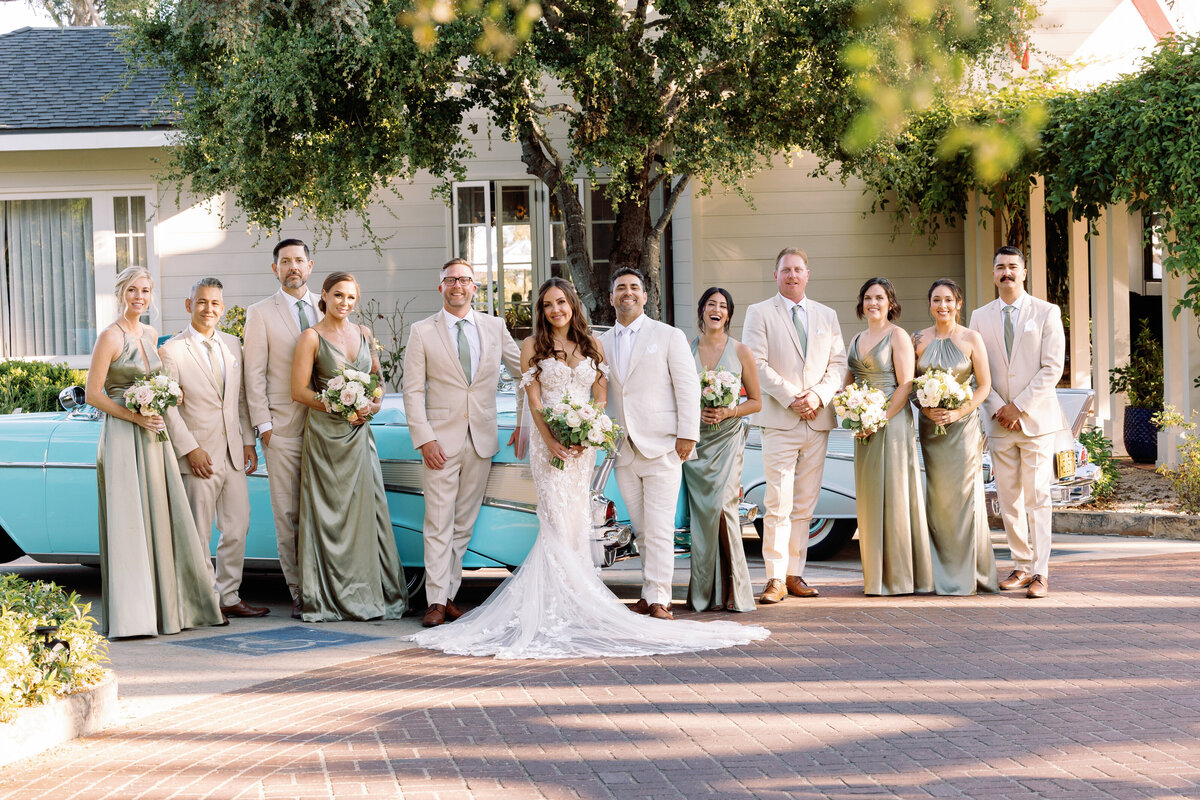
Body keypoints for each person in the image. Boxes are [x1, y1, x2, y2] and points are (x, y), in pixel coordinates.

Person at [409, 278, 768, 658]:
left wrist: (587, 430)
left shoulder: (597, 344)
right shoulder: (534, 345)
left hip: (591, 449)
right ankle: (561, 603)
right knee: (557, 524)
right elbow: (533, 400)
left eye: (561, 302)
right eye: (547, 304)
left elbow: (600, 394)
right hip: (551, 450)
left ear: (573, 304)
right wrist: (550, 440)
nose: (555, 309)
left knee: (582, 522)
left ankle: (625, 599)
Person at [85, 266, 225, 638]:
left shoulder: (149, 334)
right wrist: (134, 416)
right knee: (130, 518)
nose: (139, 297)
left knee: (160, 517)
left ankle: (167, 608)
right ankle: (135, 616)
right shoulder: (110, 337)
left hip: (153, 434)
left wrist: (169, 393)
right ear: (120, 294)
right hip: (123, 435)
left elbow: (160, 382)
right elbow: (94, 394)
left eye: (145, 291)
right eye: (132, 290)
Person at [401, 258, 523, 628]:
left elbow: (526, 374)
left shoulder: (495, 326)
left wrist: (523, 421)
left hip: (482, 440)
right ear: (441, 287)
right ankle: (435, 602)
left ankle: (448, 594)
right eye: (451, 280)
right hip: (440, 442)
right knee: (437, 522)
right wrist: (424, 440)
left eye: (465, 279)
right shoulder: (422, 331)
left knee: (463, 525)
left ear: (475, 287)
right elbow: (411, 391)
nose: (458, 285)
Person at [289, 272, 407, 622]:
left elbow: (378, 382)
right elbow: (298, 391)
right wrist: (341, 406)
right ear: (323, 296)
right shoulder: (310, 338)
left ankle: (370, 590)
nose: (344, 303)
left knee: (364, 513)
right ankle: (328, 595)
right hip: (326, 437)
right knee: (331, 515)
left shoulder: (364, 334)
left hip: (359, 436)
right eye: (338, 295)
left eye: (351, 298)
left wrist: (371, 404)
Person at [741, 248, 847, 604]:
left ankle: (794, 573)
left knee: (805, 505)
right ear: (776, 275)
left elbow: (838, 363)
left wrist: (816, 397)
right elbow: (756, 363)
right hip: (779, 420)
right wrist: (792, 398)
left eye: (798, 269)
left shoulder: (827, 315)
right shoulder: (758, 313)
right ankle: (773, 578)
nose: (792, 275)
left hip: (817, 420)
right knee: (777, 503)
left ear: (807, 274)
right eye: (785, 270)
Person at [160, 278, 268, 619]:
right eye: (203, 302)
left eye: (216, 303)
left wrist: (249, 441)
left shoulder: (233, 345)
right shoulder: (172, 350)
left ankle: (229, 595)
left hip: (234, 453)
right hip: (198, 456)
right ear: (189, 304)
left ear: (222, 307)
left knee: (237, 526)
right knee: (199, 532)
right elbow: (167, 407)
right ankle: (202, 600)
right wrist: (190, 449)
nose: (209, 309)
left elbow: (239, 398)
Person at [601, 268, 701, 620]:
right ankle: (648, 591)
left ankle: (660, 598)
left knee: (659, 527)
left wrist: (688, 433)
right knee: (642, 528)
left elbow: (688, 386)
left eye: (634, 288)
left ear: (644, 296)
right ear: (611, 297)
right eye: (620, 288)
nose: (627, 293)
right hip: (624, 449)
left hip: (664, 445)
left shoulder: (669, 335)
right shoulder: (601, 343)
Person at [969, 246, 1066, 599]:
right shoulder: (979, 317)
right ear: (993, 273)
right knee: (1008, 499)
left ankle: (1041, 572)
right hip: (999, 423)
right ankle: (1021, 566)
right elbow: (979, 370)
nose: (1006, 272)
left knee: (1038, 498)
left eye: (1012, 267)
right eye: (1000, 267)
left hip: (1035, 421)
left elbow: (1052, 367)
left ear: (1024, 272)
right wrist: (998, 407)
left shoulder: (1046, 312)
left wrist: (1019, 406)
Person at [244, 239, 321, 618]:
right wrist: (265, 426)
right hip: (283, 428)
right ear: (274, 268)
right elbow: (253, 373)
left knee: (323, 509)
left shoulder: (329, 307)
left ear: (310, 265)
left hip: (328, 429)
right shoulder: (260, 313)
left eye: (299, 260)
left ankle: (325, 584)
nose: (293, 266)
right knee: (288, 512)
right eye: (285, 261)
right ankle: (299, 590)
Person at [844, 278, 932, 596]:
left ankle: (900, 577)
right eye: (867, 297)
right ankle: (875, 578)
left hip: (891, 423)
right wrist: (851, 409)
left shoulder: (897, 337)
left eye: (879, 297)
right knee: (869, 499)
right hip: (862, 427)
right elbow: (847, 382)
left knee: (894, 495)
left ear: (890, 303)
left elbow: (906, 385)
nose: (873, 303)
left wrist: (878, 417)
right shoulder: (856, 338)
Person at [912, 279, 999, 596]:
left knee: (964, 498)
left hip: (962, 430)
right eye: (937, 300)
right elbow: (909, 384)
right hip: (931, 428)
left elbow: (984, 386)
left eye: (948, 300)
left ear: (958, 304)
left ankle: (968, 573)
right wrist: (925, 405)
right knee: (936, 500)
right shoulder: (917, 339)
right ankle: (937, 572)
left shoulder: (972, 338)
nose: (943, 306)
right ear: (930, 304)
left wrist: (959, 412)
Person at [682, 287, 762, 613]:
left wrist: (729, 411)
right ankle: (706, 592)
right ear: (702, 310)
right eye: (711, 304)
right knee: (703, 516)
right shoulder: (686, 350)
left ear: (729, 314)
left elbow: (756, 401)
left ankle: (734, 591)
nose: (717, 310)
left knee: (725, 508)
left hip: (728, 439)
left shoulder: (741, 351)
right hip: (695, 442)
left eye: (723, 306)